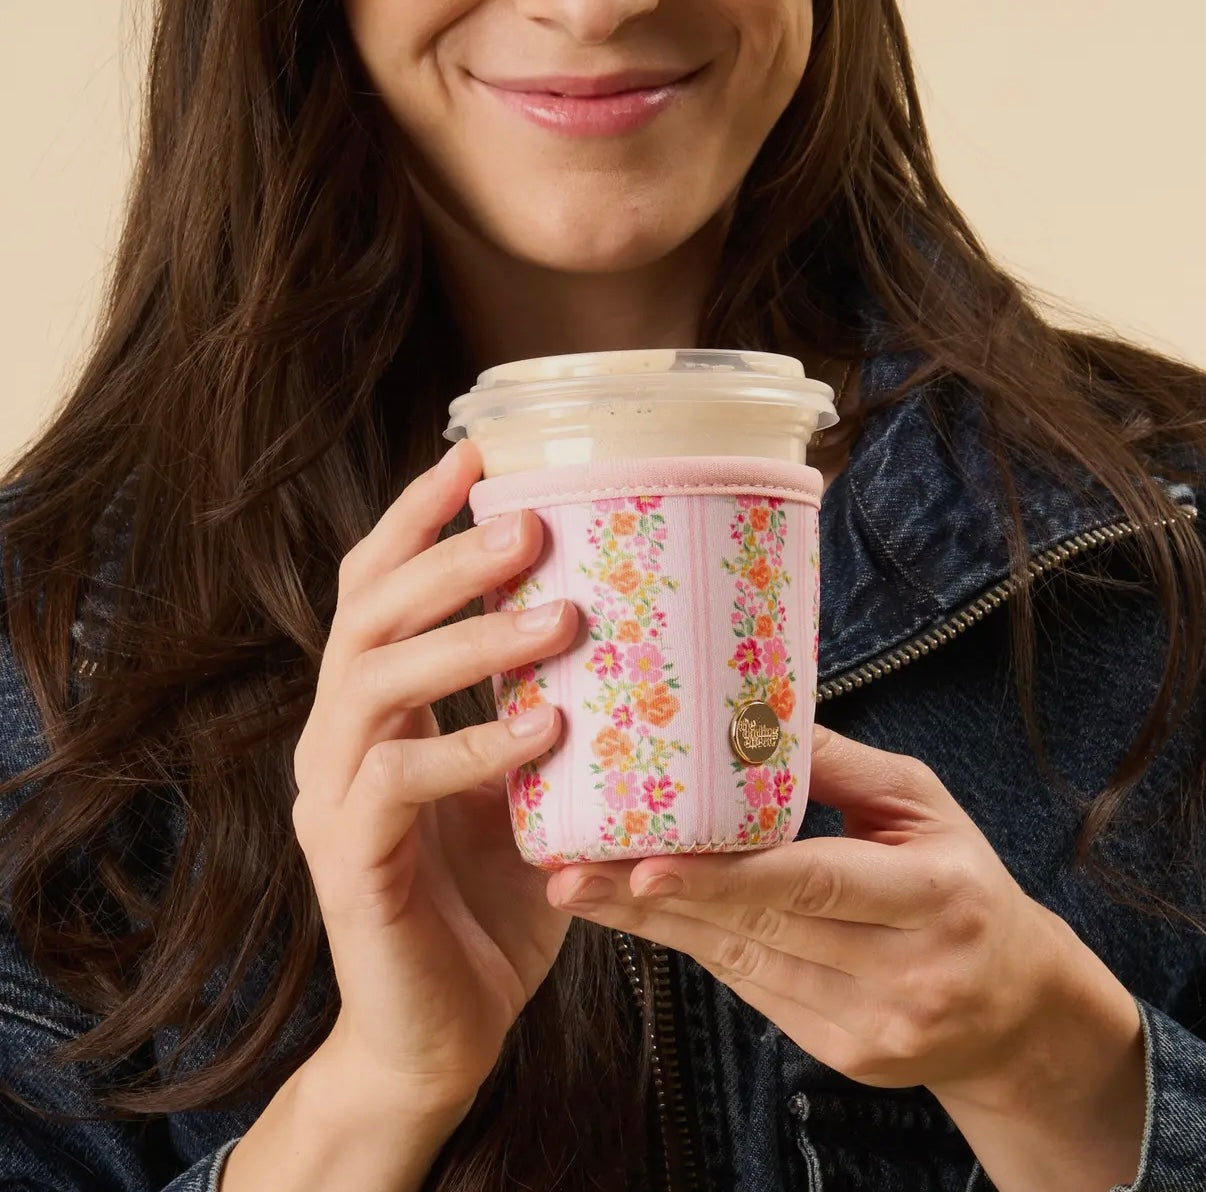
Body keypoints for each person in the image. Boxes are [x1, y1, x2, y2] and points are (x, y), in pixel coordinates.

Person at [1, 1, 1202, 1190]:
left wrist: (1061, 1068)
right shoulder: (43, 639)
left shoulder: (1167, 531)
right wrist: (370, 1098)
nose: (597, 6)